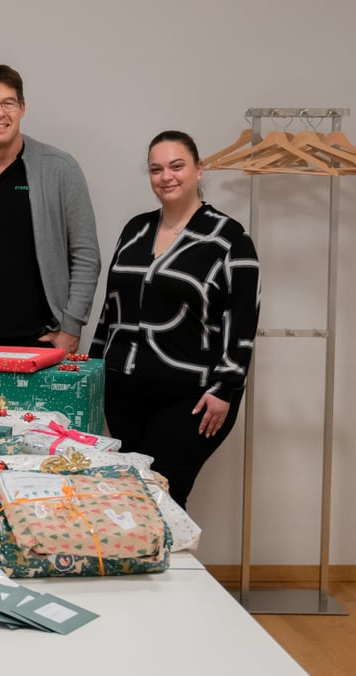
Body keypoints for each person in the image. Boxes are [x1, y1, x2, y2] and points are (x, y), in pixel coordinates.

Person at [90, 130, 261, 507]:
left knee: (163, 497)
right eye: (156, 169)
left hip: (190, 395)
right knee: (131, 496)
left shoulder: (229, 239)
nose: (166, 176)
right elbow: (110, 310)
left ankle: (170, 566)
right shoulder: (135, 230)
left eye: (176, 166)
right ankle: (147, 566)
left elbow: (243, 318)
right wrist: (94, 369)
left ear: (199, 170)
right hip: (124, 391)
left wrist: (227, 388)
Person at [0, 64, 100, 352]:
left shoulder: (60, 169)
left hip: (43, 340)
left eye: (8, 103)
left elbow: (86, 254)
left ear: (22, 108)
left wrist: (71, 326)